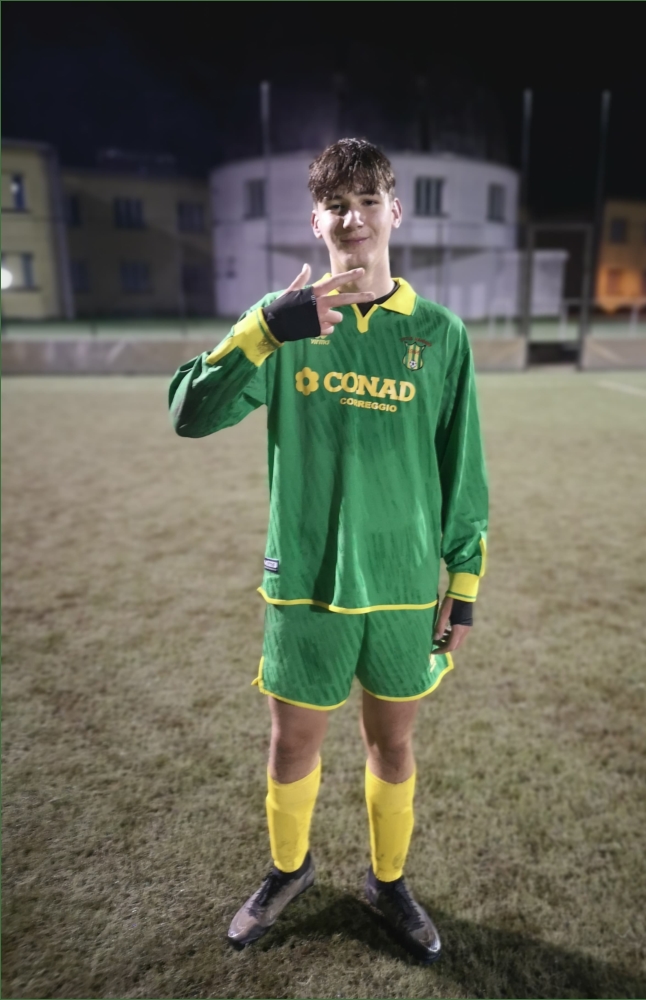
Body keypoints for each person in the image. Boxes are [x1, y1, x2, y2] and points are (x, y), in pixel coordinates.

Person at [168, 138, 488, 964]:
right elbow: (189, 415)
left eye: (368, 201)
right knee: (292, 745)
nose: (353, 218)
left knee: (393, 744)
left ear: (395, 212)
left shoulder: (441, 335)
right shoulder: (283, 322)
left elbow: (463, 468)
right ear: (315, 222)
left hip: (404, 586)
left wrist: (464, 580)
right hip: (304, 579)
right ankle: (289, 870)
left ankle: (388, 883)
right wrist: (263, 331)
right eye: (335, 205)